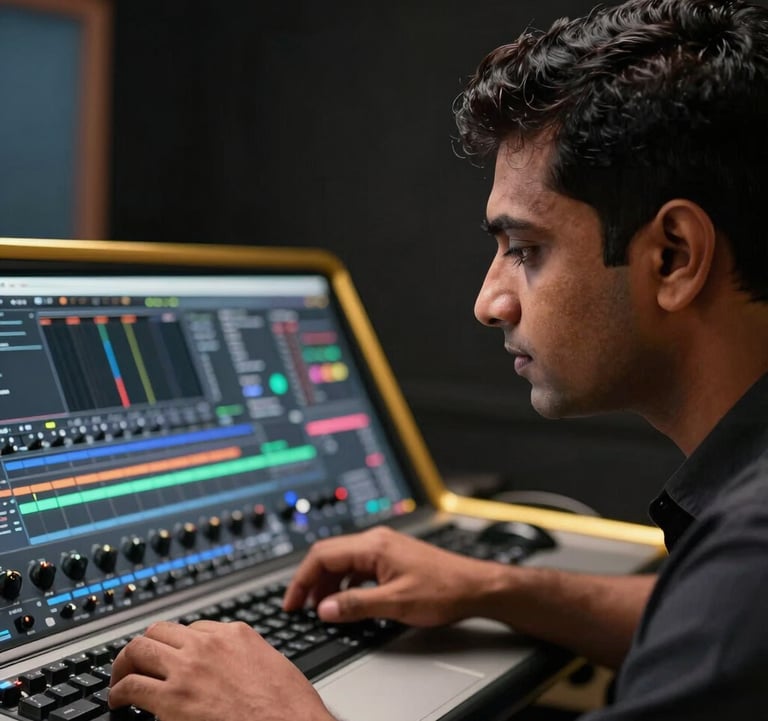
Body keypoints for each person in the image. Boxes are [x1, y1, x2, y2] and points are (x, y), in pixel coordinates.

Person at [107, 0, 768, 718]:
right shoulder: (736, 575)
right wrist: (494, 587)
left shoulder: (750, 557)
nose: (490, 302)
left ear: (673, 257)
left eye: (525, 250)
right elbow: (699, 627)